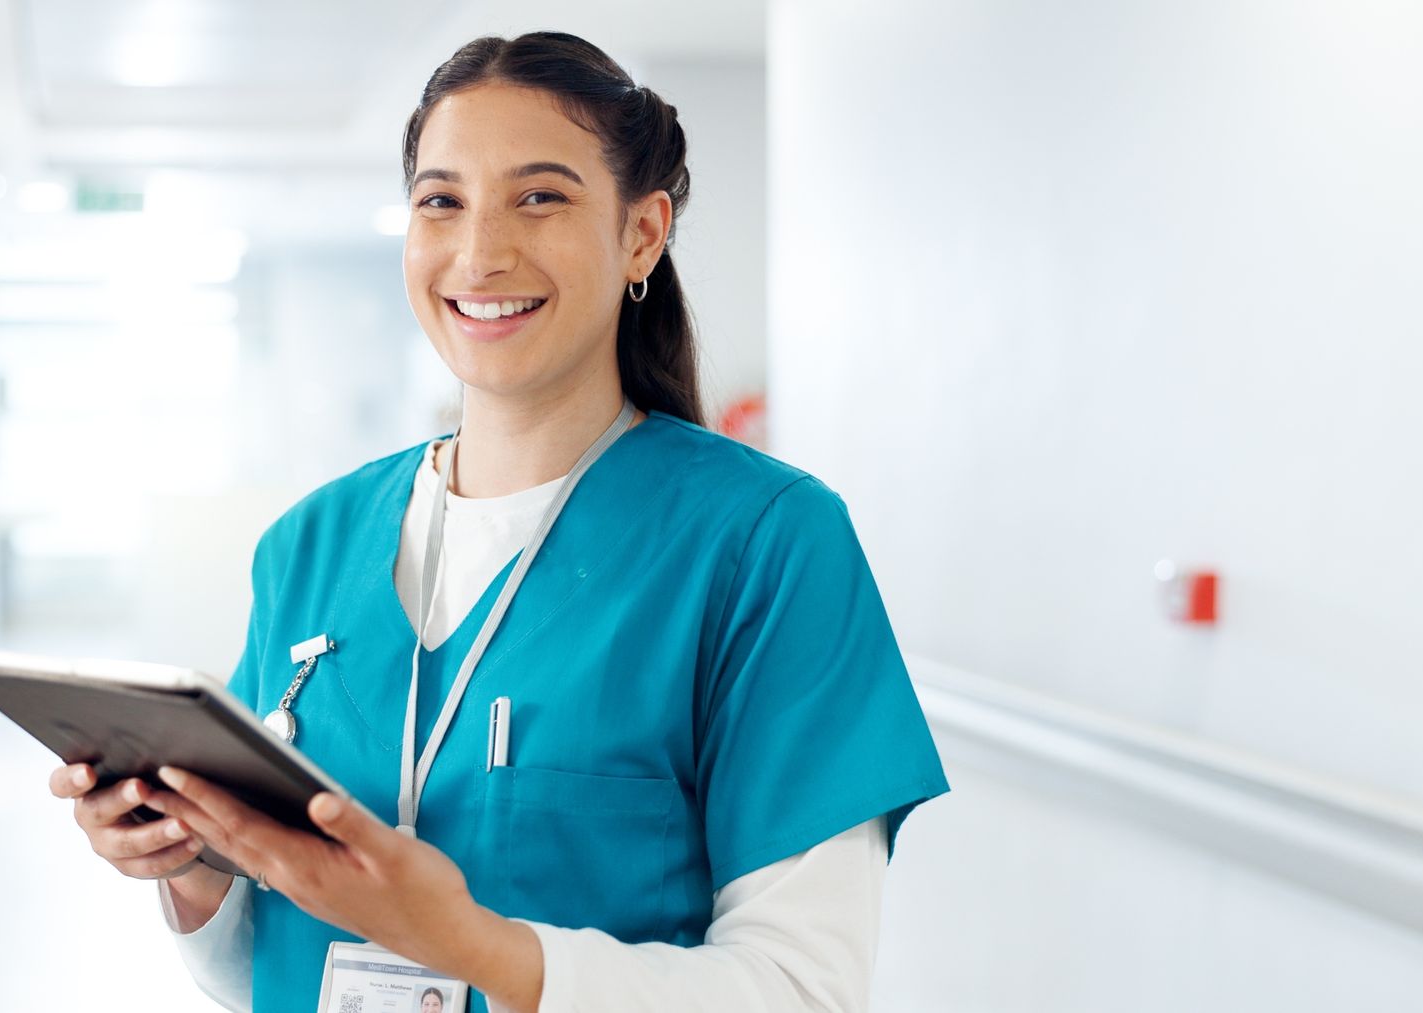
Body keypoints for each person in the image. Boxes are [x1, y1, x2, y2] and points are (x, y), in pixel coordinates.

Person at [47, 31, 948, 1013]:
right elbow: (262, 965)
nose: (480, 250)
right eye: (442, 201)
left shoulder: (766, 545)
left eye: (541, 197)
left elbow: (802, 989)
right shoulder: (308, 545)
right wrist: (194, 865)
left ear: (642, 233)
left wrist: (471, 942)